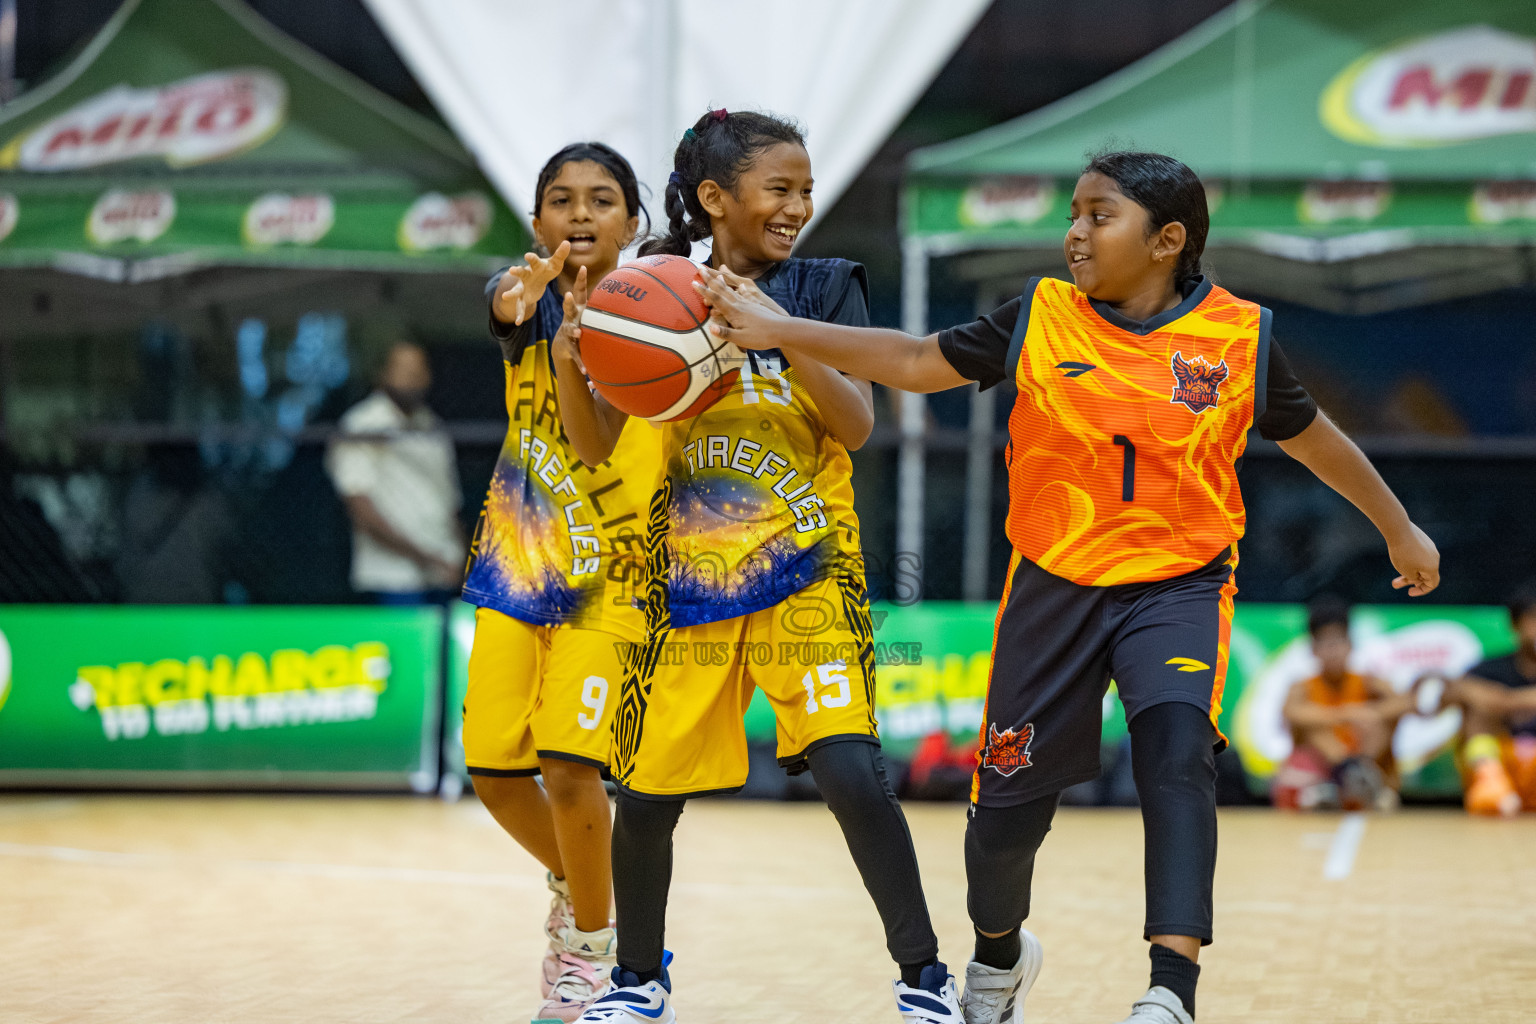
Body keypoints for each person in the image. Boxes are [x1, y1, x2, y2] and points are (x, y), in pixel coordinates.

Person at [699, 150, 1441, 1024]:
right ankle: (1001, 956)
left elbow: (1318, 441)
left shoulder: (1242, 337)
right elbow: (907, 361)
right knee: (1005, 817)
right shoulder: (1040, 316)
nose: (1075, 233)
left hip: (1180, 582)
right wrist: (782, 328)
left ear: (1168, 241)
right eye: (1076, 214)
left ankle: (1171, 989)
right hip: (1053, 583)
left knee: (1175, 752)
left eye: (1099, 216)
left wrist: (1399, 527)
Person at [555, 109, 963, 1024]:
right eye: (781, 188)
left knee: (853, 772)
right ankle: (636, 980)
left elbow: (857, 426)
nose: (798, 206)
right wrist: (569, 350)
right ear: (715, 198)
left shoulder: (823, 285)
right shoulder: (654, 288)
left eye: (806, 190)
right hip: (692, 580)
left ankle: (924, 977)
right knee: (649, 793)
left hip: (810, 568)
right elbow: (594, 443)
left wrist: (781, 331)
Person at [461, 142, 659, 1022]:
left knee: (571, 765)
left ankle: (591, 949)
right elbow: (503, 303)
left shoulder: (663, 310)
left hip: (615, 569)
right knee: (493, 770)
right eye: (562, 200)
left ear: (634, 223)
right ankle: (586, 886)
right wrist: (516, 297)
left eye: (602, 199)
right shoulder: (526, 298)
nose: (581, 214)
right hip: (518, 556)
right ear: (537, 222)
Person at [326, 341, 465, 604]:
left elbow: (449, 502)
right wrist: (426, 558)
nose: (413, 377)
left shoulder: (433, 426)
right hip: (393, 578)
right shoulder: (362, 425)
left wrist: (460, 558)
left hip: (445, 572)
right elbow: (360, 508)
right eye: (403, 369)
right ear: (383, 374)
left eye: (420, 369)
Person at [1275, 598, 1411, 811]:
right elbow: (1290, 712)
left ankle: (1359, 776)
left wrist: (1368, 712)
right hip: (1326, 766)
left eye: (1338, 642)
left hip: (1367, 758)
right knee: (1314, 728)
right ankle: (1348, 774)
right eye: (1325, 644)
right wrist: (1342, 714)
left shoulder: (1367, 681)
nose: (1333, 651)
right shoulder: (1303, 687)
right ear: (1313, 649)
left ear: (1350, 644)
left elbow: (1405, 702)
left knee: (1377, 721)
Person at [1446, 582, 1536, 816]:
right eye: (1533, 619)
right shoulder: (1490, 668)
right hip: (1503, 765)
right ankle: (1492, 782)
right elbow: (1451, 691)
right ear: (1516, 624)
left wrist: (1504, 700)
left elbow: (1499, 701)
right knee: (1479, 711)